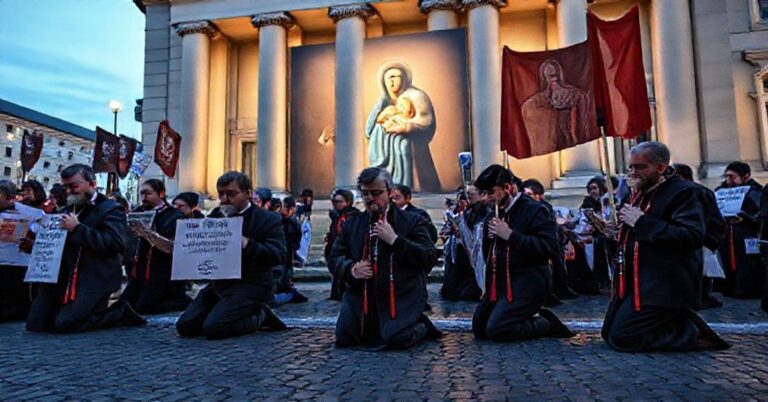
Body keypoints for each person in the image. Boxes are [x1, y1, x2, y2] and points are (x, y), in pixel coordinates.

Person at [602, 142, 729, 352]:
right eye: (630, 167)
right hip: (639, 281)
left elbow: (692, 236)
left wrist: (642, 222)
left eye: (640, 167)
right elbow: (634, 235)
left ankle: (691, 334)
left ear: (660, 167)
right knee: (609, 333)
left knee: (623, 337)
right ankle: (675, 319)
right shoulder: (636, 193)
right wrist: (615, 235)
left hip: (665, 282)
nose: (633, 172)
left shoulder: (684, 193)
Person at [26, 164, 145, 333]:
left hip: (94, 277)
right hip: (63, 277)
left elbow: (115, 243)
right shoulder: (66, 209)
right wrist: (34, 246)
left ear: (92, 184)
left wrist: (78, 229)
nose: (68, 191)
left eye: (74, 186)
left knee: (66, 324)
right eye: (65, 187)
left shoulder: (111, 209)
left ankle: (119, 312)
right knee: (35, 324)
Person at [330, 167, 440, 350]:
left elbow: (428, 257)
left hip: (400, 295)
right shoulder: (353, 224)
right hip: (362, 295)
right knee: (345, 337)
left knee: (398, 339)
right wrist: (351, 268)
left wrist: (395, 240)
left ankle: (421, 326)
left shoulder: (413, 221)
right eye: (365, 193)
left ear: (389, 192)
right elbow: (334, 257)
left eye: (376, 193)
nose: (369, 198)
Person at [176, 171, 287, 339]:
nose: (225, 199)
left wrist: (246, 243)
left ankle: (260, 316)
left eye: (231, 194)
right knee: (185, 326)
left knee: (214, 328)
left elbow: (277, 255)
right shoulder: (215, 216)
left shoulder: (268, 219)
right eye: (221, 194)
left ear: (248, 193)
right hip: (221, 285)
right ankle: (224, 311)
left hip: (251, 285)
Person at [471, 165, 574, 342]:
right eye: (484, 193)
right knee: (480, 328)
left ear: (508, 188)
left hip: (528, 282)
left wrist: (511, 235)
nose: (487, 198)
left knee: (498, 329)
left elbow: (549, 247)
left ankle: (544, 322)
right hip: (502, 284)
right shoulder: (494, 212)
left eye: (491, 192)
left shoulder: (535, 210)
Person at [119, 179, 191, 315]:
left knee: (144, 307)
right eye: (141, 194)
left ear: (161, 194)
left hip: (162, 271)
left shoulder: (174, 216)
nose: (144, 198)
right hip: (140, 271)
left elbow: (173, 247)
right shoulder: (138, 213)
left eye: (148, 194)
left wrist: (150, 234)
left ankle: (180, 300)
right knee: (125, 304)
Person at [673, 163, 726, 310]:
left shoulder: (699, 192)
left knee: (700, 273)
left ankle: (701, 298)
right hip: (687, 238)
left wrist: (711, 239)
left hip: (699, 239)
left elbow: (714, 218)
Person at [522, 178, 578, 303]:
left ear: (538, 196)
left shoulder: (543, 209)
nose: (526, 198)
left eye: (529, 195)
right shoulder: (524, 209)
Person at [715, 161, 763, 298]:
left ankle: (747, 290)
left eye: (732, 176)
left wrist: (744, 216)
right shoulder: (721, 191)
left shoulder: (755, 192)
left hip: (747, 235)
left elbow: (759, 216)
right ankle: (729, 288)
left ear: (745, 176)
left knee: (748, 264)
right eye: (727, 176)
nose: (729, 180)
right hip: (728, 235)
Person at [0, 180, 44, 322]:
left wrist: (32, 239)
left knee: (15, 304)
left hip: (18, 265)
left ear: (10, 197)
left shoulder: (31, 213)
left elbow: (44, 232)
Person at [440, 186, 483, 302]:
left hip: (473, 250)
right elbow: (445, 230)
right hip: (458, 249)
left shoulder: (480, 211)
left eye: (471, 195)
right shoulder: (461, 212)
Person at [324, 188, 361, 301]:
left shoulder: (353, 217)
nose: (336, 204)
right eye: (335, 201)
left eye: (340, 202)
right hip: (335, 252)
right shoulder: (337, 216)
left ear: (348, 202)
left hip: (347, 254)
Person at [273, 196, 308, 305]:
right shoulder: (282, 220)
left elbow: (296, 239)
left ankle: (289, 293)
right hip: (283, 252)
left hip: (286, 252)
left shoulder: (291, 222)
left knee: (285, 275)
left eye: (282, 207)